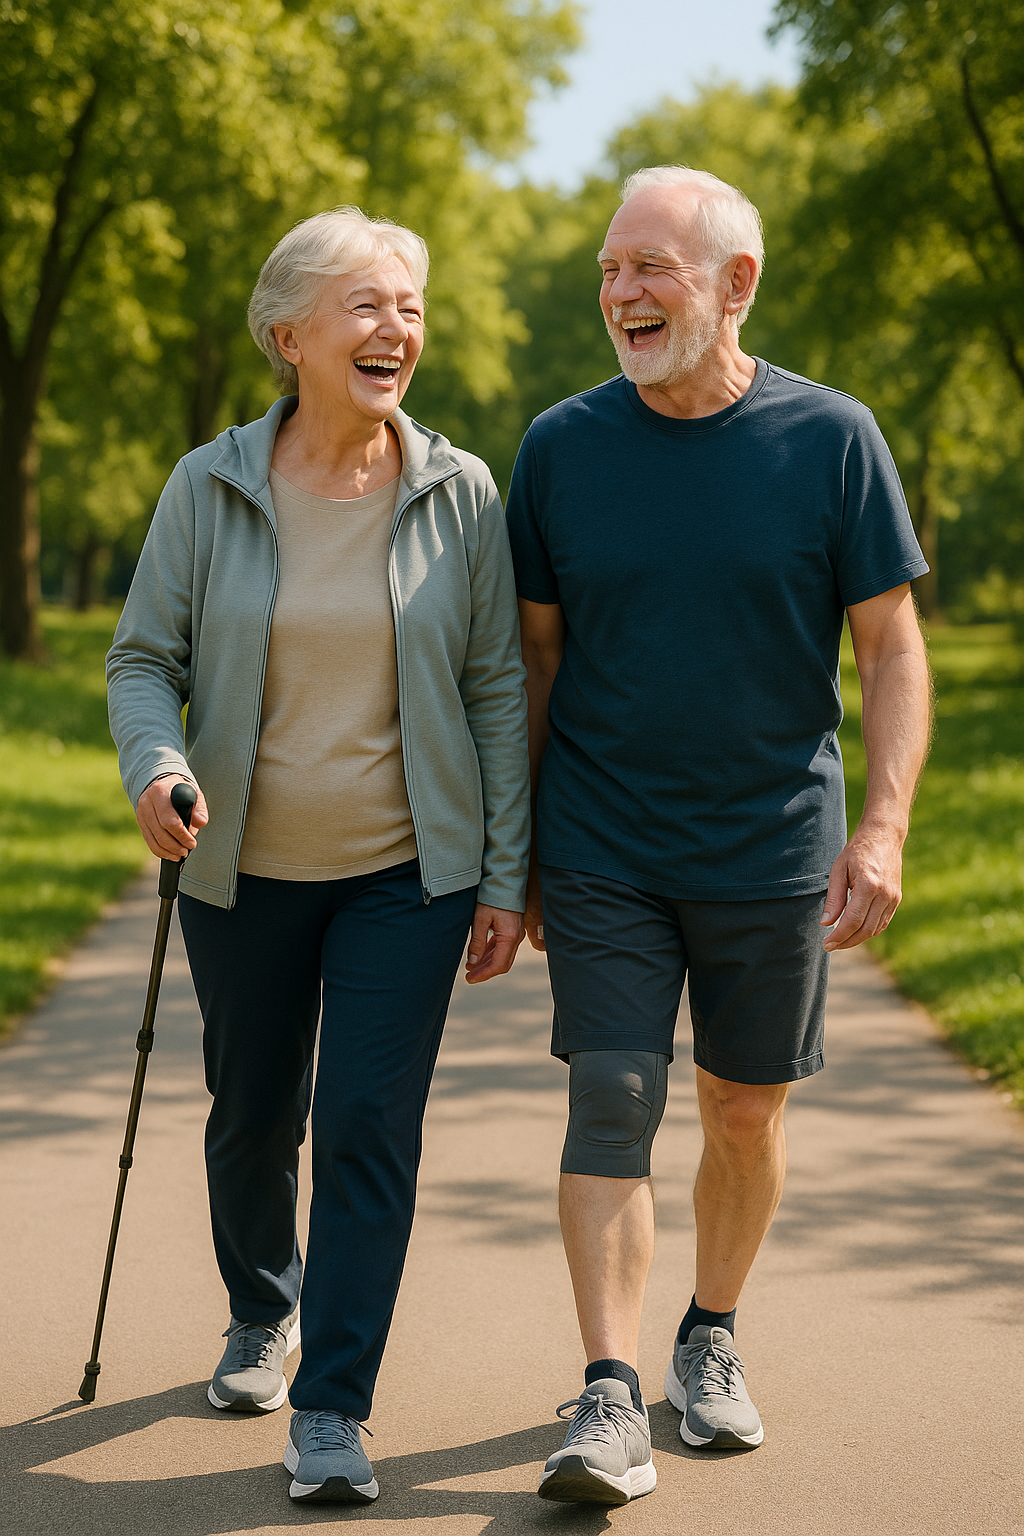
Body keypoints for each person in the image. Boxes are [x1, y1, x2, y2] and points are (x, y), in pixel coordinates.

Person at [506, 166, 932, 1507]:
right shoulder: (560, 448)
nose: (622, 293)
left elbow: (892, 651)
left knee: (744, 1114)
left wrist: (884, 826)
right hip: (604, 842)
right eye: (610, 269)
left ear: (735, 285)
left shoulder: (832, 438)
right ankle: (608, 1392)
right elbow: (532, 663)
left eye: (652, 268)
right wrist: (507, 854)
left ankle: (710, 1336)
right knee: (615, 1092)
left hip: (772, 848)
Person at [107, 207, 529, 1505]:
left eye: (408, 303)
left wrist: (505, 873)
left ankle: (335, 1407)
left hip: (407, 873)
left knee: (363, 1122)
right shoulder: (208, 484)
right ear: (289, 332)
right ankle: (259, 1308)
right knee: (254, 1117)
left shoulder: (458, 492)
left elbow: (498, 687)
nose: (395, 325)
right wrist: (157, 767)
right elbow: (143, 660)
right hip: (241, 868)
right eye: (365, 303)